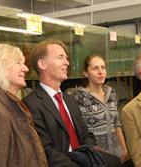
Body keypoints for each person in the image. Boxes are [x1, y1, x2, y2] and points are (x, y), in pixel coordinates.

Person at [23, 39, 121, 167]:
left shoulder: (69, 99)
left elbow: (87, 135)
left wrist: (92, 159)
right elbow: (45, 151)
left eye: (67, 58)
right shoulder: (31, 104)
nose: (67, 62)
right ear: (42, 64)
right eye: (60, 57)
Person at [68, 54, 128, 163]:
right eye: (95, 68)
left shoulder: (111, 93)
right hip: (96, 157)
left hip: (116, 153)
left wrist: (124, 149)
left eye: (103, 67)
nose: (100, 72)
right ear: (86, 73)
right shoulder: (78, 97)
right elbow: (79, 131)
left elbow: (116, 123)